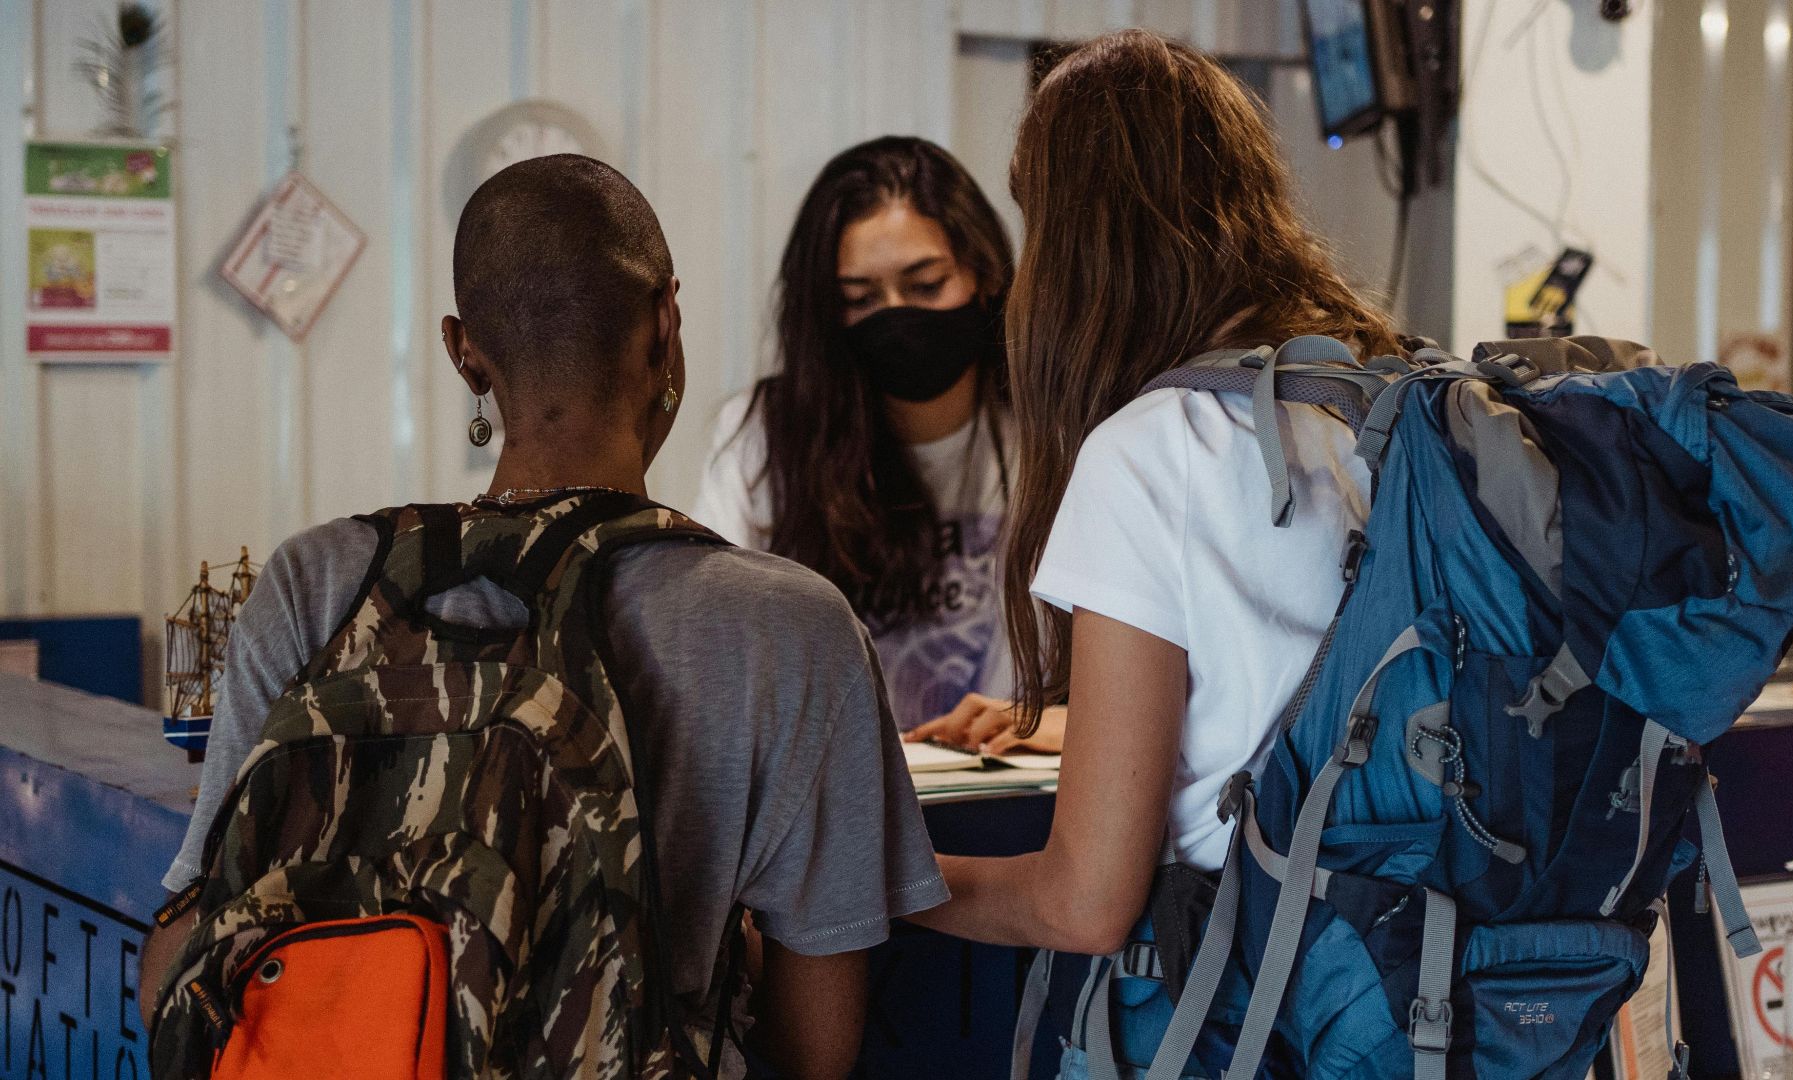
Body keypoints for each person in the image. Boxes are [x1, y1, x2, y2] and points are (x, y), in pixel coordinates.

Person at [141, 154, 946, 1079]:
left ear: (462, 349)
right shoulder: (790, 630)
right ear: (665, 324)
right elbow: (816, 1051)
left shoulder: (317, 583)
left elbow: (187, 960)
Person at [906, 30, 1404, 1075]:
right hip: (1418, 998)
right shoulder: (1389, 400)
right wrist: (1081, 731)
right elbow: (1299, 706)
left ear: (1081, 242)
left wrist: (888, 884)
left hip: (1254, 1015)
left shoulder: (1151, 450)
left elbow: (1084, 904)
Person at [695, 136, 1061, 748]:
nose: (897, 316)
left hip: (1006, 790)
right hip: (829, 799)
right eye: (860, 299)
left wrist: (1054, 721)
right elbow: (713, 637)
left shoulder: (1051, 436)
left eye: (925, 285)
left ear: (986, 272)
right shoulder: (765, 434)